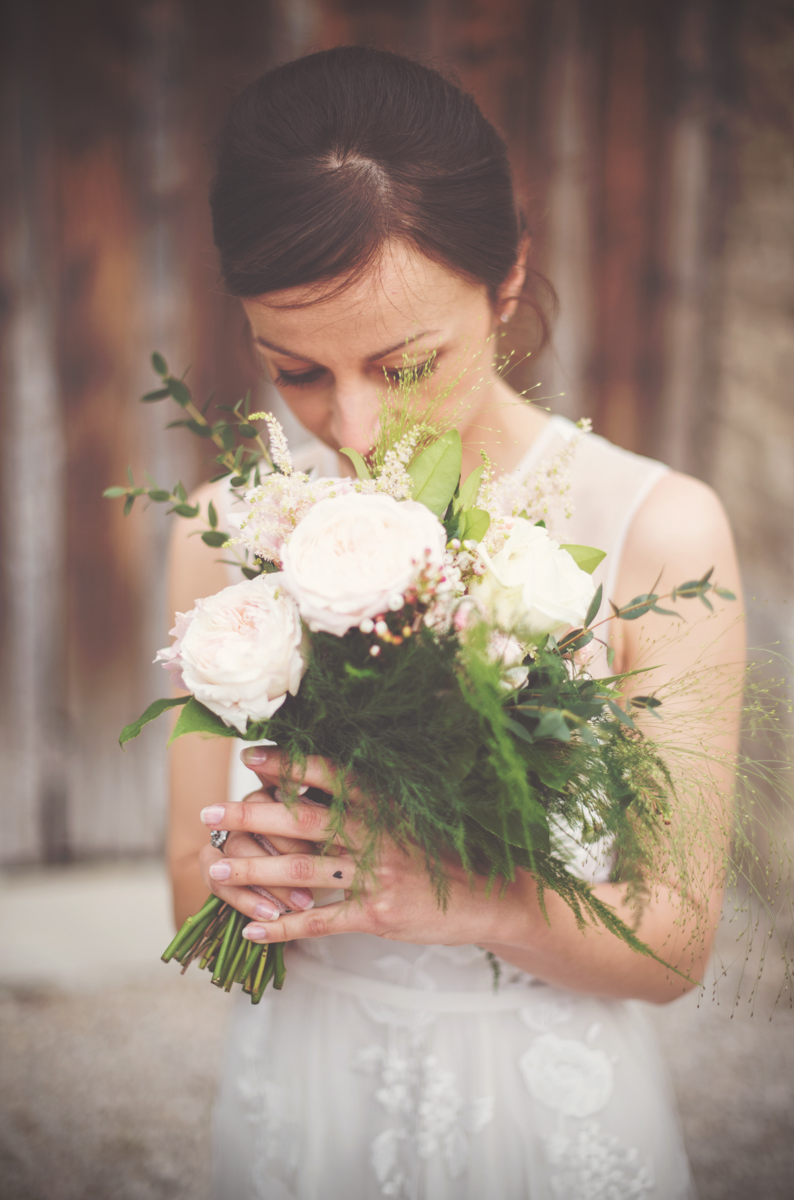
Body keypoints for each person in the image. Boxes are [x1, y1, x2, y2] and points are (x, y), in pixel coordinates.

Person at [166, 47, 744, 1200]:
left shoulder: (660, 535)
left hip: (546, 1114)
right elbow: (191, 888)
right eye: (297, 371)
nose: (356, 424)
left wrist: (453, 895)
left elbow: (675, 948)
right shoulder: (222, 527)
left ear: (509, 279)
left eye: (404, 362)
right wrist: (262, 867)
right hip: (311, 1100)